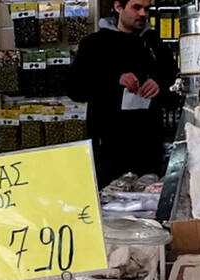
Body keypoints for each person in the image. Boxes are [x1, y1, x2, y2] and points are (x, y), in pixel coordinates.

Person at [68, 0, 178, 186]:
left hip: (148, 151)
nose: (143, 14)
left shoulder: (154, 43)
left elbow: (171, 76)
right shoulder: (93, 44)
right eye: (136, 7)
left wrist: (159, 83)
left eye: (146, 9)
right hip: (108, 151)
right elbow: (75, 88)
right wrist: (113, 79)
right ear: (118, 6)